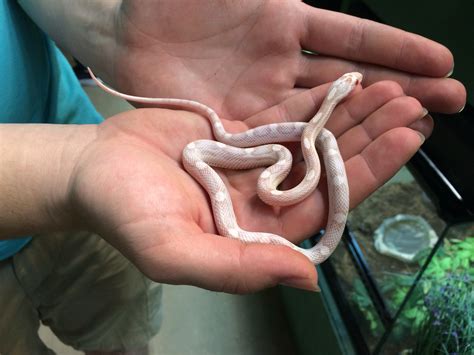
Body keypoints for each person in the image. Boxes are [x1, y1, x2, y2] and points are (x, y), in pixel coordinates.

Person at [1, 0, 466, 354]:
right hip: (74, 169)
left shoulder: (304, 140)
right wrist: (66, 165)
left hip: (69, 130)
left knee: (122, 328)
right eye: (347, 88)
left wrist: (114, 28)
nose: (348, 87)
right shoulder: (290, 153)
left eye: (343, 89)